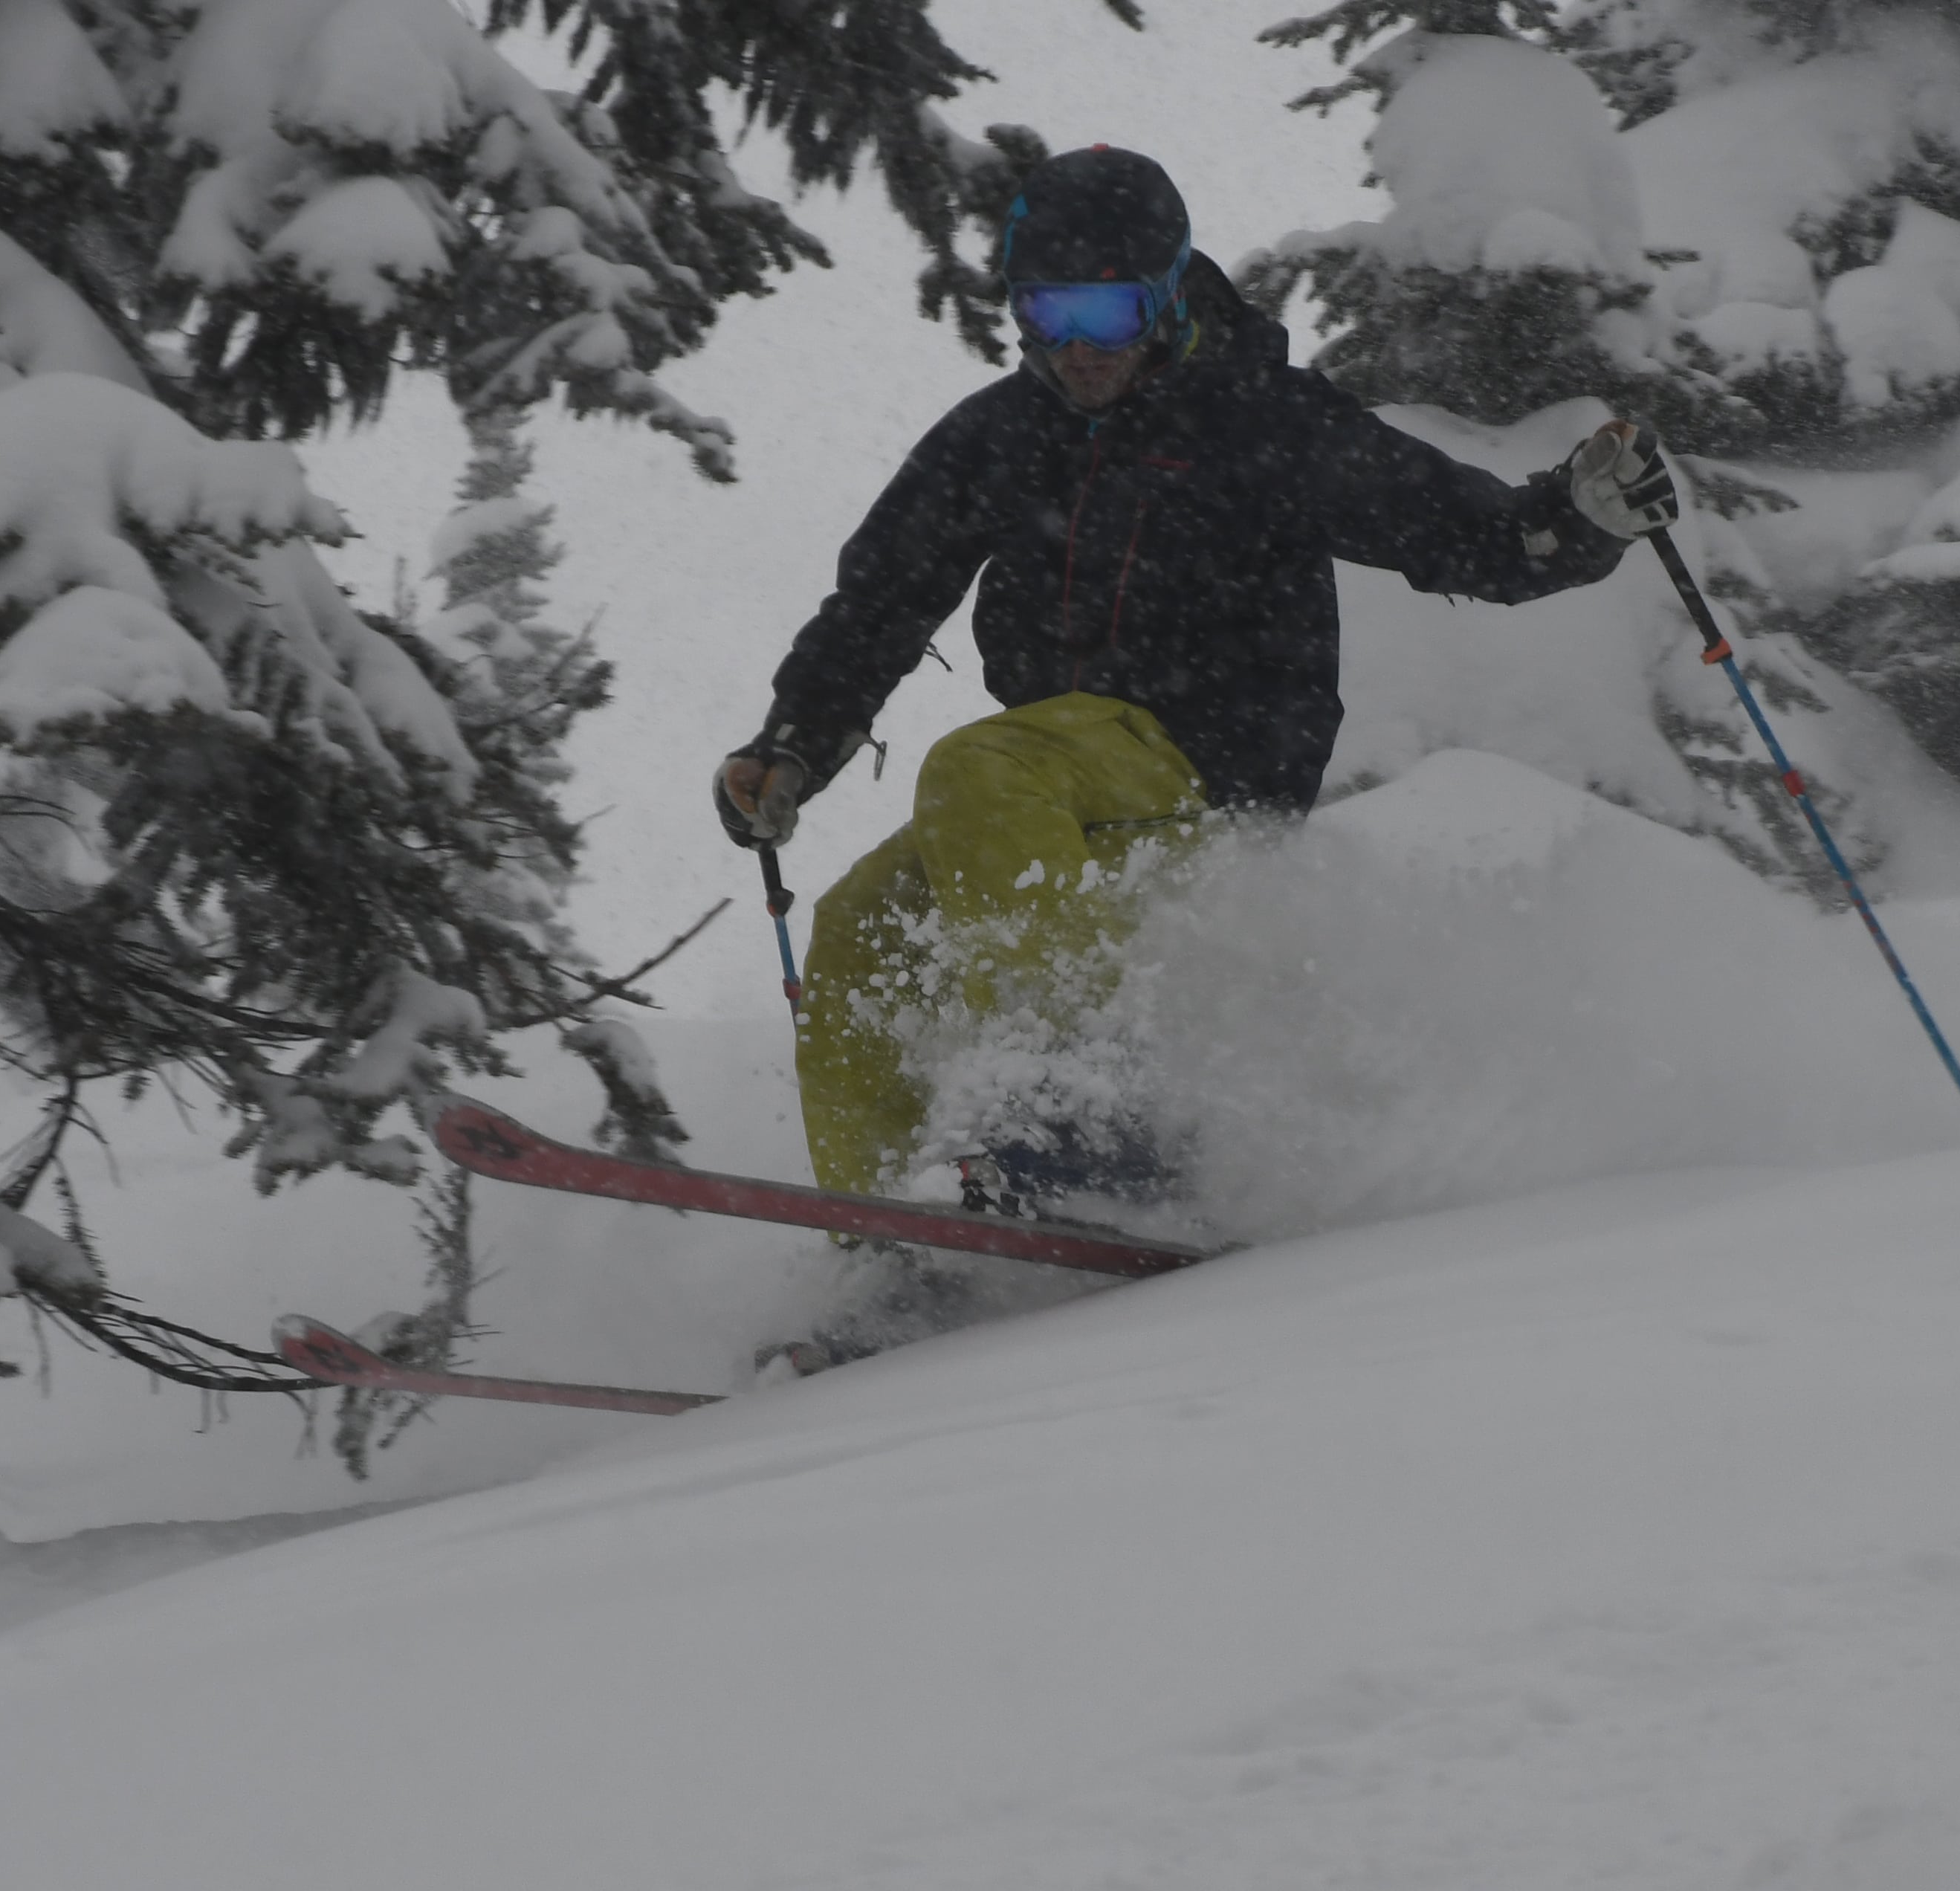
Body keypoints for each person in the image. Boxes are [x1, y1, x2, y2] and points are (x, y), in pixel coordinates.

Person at [714, 143, 1678, 1208]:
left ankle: (1086, 1111)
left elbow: (1463, 532)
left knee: (977, 771)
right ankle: (892, 1239)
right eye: (1049, 314)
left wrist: (1574, 522)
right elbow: (880, 605)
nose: (1078, 349)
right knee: (865, 922)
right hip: (1064, 791)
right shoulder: (998, 437)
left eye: (1109, 316)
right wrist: (795, 744)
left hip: (1215, 774)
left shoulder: (1261, 421)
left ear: (1168, 296)